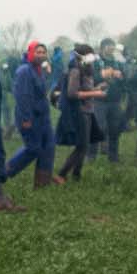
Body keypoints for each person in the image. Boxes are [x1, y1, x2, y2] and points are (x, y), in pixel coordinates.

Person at [3, 42, 56, 188]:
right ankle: (3, 173)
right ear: (31, 53)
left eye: (43, 52)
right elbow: (22, 97)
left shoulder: (39, 70)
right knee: (33, 148)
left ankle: (42, 183)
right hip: (30, 117)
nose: (41, 55)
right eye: (38, 52)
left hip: (43, 116)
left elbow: (43, 91)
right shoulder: (24, 71)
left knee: (49, 147)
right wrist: (26, 118)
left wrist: (48, 74)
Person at [55, 43, 107, 182]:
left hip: (88, 111)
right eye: (89, 54)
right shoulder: (75, 71)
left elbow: (85, 89)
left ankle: (76, 174)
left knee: (84, 145)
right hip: (80, 112)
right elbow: (72, 93)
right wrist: (96, 93)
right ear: (80, 56)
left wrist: (97, 87)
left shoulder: (86, 69)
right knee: (82, 145)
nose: (92, 57)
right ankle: (62, 174)